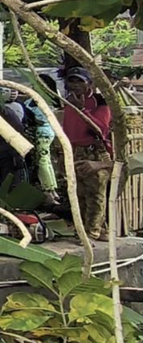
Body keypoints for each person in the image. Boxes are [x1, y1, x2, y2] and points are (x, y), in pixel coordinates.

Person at [61, 67, 113, 240]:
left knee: (95, 194)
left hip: (94, 151)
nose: (75, 85)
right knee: (79, 193)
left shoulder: (100, 101)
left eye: (80, 81)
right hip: (75, 151)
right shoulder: (68, 101)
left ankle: (92, 233)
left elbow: (101, 129)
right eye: (72, 81)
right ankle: (90, 230)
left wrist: (83, 110)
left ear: (89, 83)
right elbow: (68, 128)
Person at [21, 75, 61, 207]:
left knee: (42, 161)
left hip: (41, 132)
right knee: (47, 160)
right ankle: (52, 188)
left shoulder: (38, 101)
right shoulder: (50, 98)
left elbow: (39, 118)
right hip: (48, 131)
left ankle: (47, 188)